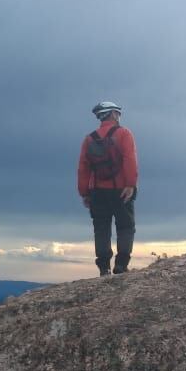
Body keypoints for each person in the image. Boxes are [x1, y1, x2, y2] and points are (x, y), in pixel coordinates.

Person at [77, 100, 138, 276]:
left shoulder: (89, 139)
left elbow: (83, 168)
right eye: (117, 113)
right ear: (112, 114)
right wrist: (130, 184)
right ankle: (121, 265)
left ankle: (104, 268)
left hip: (97, 191)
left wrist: (85, 193)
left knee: (101, 227)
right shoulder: (124, 134)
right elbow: (129, 160)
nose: (119, 116)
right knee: (125, 226)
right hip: (121, 189)